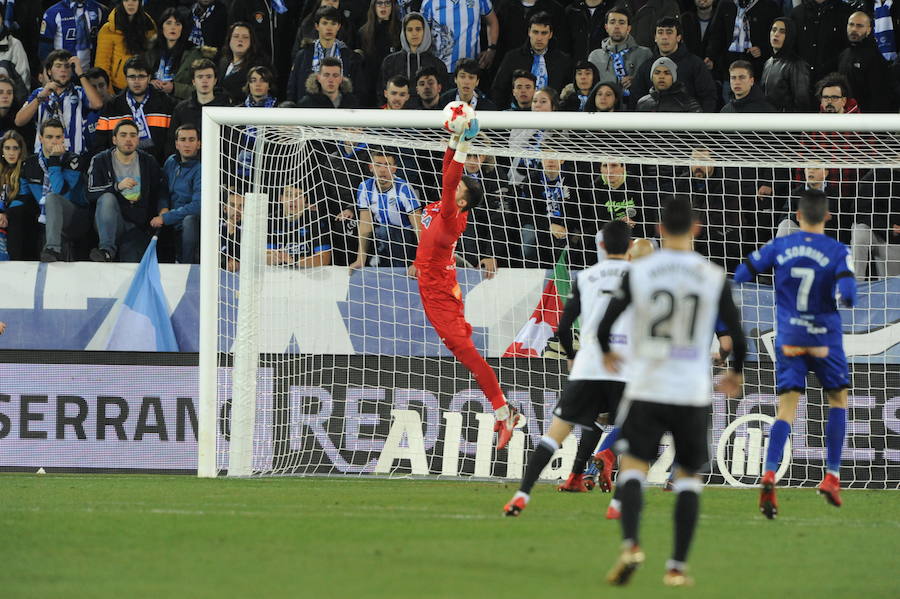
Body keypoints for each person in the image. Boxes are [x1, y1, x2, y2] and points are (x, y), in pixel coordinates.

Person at [599, 196, 746, 587]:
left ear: (660, 230)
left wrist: (607, 351)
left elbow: (605, 323)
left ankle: (631, 544)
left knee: (632, 468)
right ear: (696, 229)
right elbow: (737, 333)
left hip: (648, 386)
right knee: (686, 477)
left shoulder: (641, 271)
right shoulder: (713, 275)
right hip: (692, 392)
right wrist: (735, 372)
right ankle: (677, 566)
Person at [734, 189, 856, 518]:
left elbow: (743, 273)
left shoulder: (781, 245)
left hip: (788, 337)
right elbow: (849, 293)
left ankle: (770, 472)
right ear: (827, 216)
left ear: (798, 216)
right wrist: (841, 294)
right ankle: (831, 475)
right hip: (824, 339)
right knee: (838, 400)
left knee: (786, 409)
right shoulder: (837, 250)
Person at [504, 221, 638, 514]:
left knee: (556, 433)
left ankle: (523, 495)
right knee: (634, 431)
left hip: (588, 365)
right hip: (623, 367)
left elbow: (564, 325)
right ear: (630, 248)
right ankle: (617, 503)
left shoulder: (586, 277)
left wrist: (571, 355)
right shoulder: (640, 277)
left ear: (600, 246)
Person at [413, 109, 523, 449]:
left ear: (461, 201)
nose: (451, 184)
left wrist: (463, 147)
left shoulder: (449, 217)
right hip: (434, 284)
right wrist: (454, 140)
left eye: (457, 187)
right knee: (461, 349)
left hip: (439, 291)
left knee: (466, 353)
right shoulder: (445, 207)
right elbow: (448, 173)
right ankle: (505, 411)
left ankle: (505, 413)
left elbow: (450, 179)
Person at [87, 119, 170, 262]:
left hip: (139, 225)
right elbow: (90, 192)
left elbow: (161, 189)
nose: (128, 139)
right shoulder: (101, 160)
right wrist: (117, 186)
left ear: (138, 140)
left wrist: (163, 208)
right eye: (123, 135)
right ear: (114, 139)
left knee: (132, 262)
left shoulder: (148, 161)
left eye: (132, 135)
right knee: (107, 198)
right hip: (111, 221)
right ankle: (106, 250)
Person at [20, 119, 88, 263]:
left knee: (52, 198)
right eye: (49, 137)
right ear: (41, 138)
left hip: (75, 217)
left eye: (58, 137)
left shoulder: (74, 160)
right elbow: (23, 197)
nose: (54, 141)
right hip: (44, 218)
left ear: (63, 138)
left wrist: (54, 160)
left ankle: (52, 249)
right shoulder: (29, 164)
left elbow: (60, 192)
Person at [15, 50, 105, 156]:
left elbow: (98, 104)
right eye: (58, 66)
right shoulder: (39, 93)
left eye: (67, 67)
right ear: (49, 71)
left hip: (74, 157)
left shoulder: (80, 92)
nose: (63, 70)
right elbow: (19, 121)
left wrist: (81, 74)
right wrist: (40, 98)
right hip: (43, 157)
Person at [349, 147, 421, 269]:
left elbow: (419, 228)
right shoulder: (365, 187)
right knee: (355, 229)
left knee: (386, 231)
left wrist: (420, 261)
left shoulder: (404, 188)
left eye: (387, 165)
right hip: (381, 235)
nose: (382, 170)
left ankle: (397, 269)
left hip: (406, 237)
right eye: (378, 165)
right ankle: (371, 263)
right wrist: (360, 259)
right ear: (371, 167)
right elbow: (365, 226)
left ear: (394, 168)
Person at [94, 56, 175, 165]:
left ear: (149, 77)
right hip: (119, 169)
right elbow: (101, 143)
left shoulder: (166, 104)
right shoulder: (112, 106)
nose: (136, 82)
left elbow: (172, 140)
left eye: (141, 76)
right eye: (132, 77)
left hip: (157, 168)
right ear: (126, 78)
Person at [630, 17, 718, 111]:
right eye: (660, 32)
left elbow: (708, 97)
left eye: (669, 32)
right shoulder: (646, 66)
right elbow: (636, 99)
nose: (664, 37)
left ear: (678, 37)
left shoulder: (695, 64)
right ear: (655, 38)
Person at [490, 12, 573, 108]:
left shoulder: (563, 60)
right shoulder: (512, 57)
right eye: (535, 32)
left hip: (553, 116)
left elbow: (568, 93)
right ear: (529, 32)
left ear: (550, 34)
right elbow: (498, 90)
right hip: (518, 114)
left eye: (544, 33)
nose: (539, 38)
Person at [287, 8, 361, 103]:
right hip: (308, 111)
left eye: (333, 24)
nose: (329, 28)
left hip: (339, 111)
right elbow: (293, 88)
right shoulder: (303, 55)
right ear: (317, 26)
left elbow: (358, 90)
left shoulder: (349, 56)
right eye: (325, 23)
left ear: (338, 26)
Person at [152, 124, 201, 264]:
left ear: (199, 144)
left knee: (189, 220)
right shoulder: (171, 162)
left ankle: (187, 265)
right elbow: (163, 189)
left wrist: (167, 217)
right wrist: (162, 208)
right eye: (183, 139)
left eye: (191, 140)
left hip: (188, 223)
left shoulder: (202, 168)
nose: (187, 144)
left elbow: (197, 205)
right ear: (177, 144)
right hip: (169, 221)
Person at [146, 7, 218, 102]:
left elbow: (203, 89)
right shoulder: (149, 50)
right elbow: (138, 78)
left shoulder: (194, 54)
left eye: (178, 24)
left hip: (179, 105)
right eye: (168, 23)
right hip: (151, 102)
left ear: (183, 28)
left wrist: (175, 88)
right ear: (161, 27)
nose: (173, 27)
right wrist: (149, 82)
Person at [379, 12, 448, 103]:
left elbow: (443, 97)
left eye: (418, 29)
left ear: (425, 32)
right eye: (410, 30)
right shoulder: (390, 62)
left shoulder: (437, 64)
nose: (414, 33)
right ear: (404, 33)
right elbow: (381, 94)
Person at [168, 58, 232, 156]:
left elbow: (231, 145)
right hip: (188, 166)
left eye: (209, 77)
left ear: (215, 80)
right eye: (200, 77)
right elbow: (172, 141)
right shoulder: (181, 109)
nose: (204, 81)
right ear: (193, 81)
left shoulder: (226, 110)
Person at [703, 0, 780, 82]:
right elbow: (717, 35)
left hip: (757, 71)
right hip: (729, 70)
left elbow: (776, 36)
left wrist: (762, 50)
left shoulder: (769, 6)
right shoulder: (725, 4)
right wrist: (710, 56)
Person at [588, 6, 652, 103]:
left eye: (621, 23)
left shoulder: (644, 54)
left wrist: (637, 82)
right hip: (605, 111)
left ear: (629, 28)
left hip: (635, 108)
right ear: (606, 27)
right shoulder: (594, 56)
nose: (617, 26)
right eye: (612, 22)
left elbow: (652, 85)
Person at [838, 11, 899, 113]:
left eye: (859, 26)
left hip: (868, 121)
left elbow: (880, 97)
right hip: (847, 118)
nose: (854, 29)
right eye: (851, 24)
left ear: (869, 30)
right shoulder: (843, 55)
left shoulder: (875, 58)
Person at [95, 0, 157, 93]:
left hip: (145, 87)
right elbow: (102, 65)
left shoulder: (149, 25)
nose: (130, 3)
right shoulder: (108, 29)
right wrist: (110, 94)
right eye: (126, 0)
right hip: (118, 89)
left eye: (134, 0)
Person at [421, 0, 499, 71]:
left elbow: (492, 22)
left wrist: (491, 49)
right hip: (440, 71)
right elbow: (421, 33)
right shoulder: (429, 2)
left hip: (471, 69)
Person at [267, 185, 333, 267]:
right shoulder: (271, 221)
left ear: (305, 200)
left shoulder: (316, 221)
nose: (293, 200)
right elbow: (265, 255)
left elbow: (325, 259)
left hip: (310, 274)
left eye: (299, 196)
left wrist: (294, 260)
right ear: (281, 198)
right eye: (288, 195)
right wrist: (273, 258)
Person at [791, 0, 852, 84]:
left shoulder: (846, 11)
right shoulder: (797, 13)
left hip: (834, 83)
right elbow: (792, 49)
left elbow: (848, 50)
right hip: (802, 82)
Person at [0, 130, 39, 260]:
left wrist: (6, 214)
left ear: (21, 150)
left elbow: (25, 197)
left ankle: (14, 261)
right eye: (7, 148)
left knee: (16, 213)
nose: (11, 153)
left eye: (15, 148)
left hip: (23, 213)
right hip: (4, 212)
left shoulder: (27, 167)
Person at [761, 17, 813, 112]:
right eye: (774, 30)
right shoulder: (768, 62)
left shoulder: (797, 64)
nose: (776, 34)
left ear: (789, 36)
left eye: (782, 31)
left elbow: (802, 103)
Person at [217, 22, 274, 105]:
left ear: (251, 41)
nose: (240, 40)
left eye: (245, 37)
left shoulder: (260, 65)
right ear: (229, 40)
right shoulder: (223, 62)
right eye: (236, 36)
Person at [357, 0, 402, 105]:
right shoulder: (363, 32)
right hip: (369, 87)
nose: (383, 7)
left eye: (387, 3)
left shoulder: (400, 30)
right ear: (374, 6)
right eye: (379, 3)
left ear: (392, 6)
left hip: (394, 86)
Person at [39, 0, 107, 69]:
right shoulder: (53, 12)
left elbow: (105, 45)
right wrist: (47, 71)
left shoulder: (100, 10)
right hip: (63, 73)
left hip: (91, 73)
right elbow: (44, 48)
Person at [636, 57, 703, 112]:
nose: (661, 76)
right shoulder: (643, 103)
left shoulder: (689, 104)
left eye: (667, 73)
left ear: (673, 77)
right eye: (657, 73)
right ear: (652, 77)